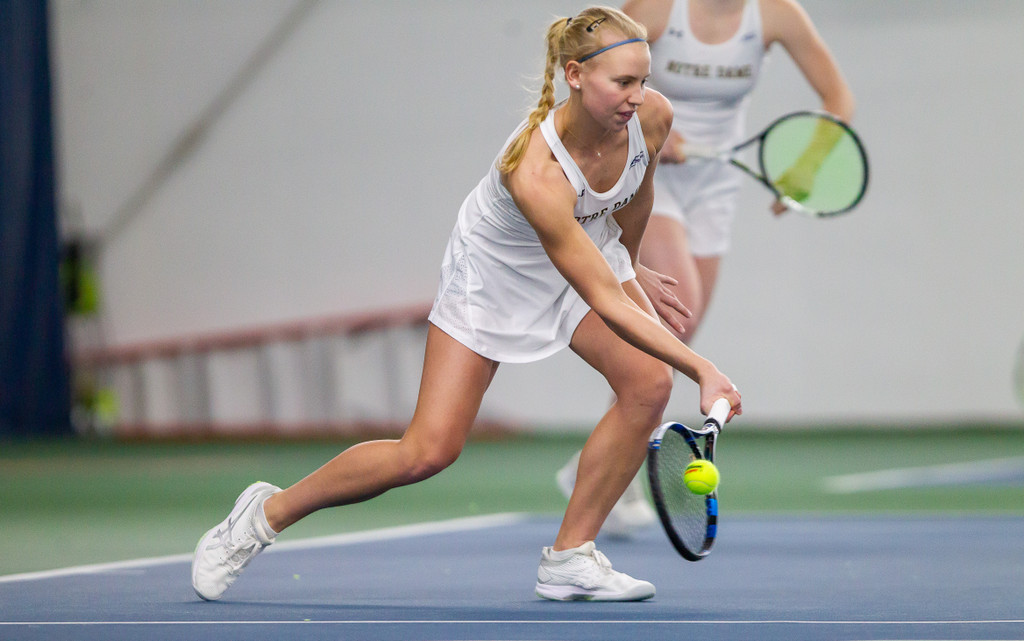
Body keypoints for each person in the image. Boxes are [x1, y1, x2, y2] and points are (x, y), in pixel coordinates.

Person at [191, 6, 741, 604]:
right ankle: (261, 516)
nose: (637, 96)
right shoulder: (535, 169)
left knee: (647, 386)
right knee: (427, 451)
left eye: (642, 80)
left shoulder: (651, 115)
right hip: (493, 277)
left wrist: (628, 261)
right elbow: (604, 299)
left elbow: (636, 195)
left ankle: (569, 557)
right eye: (621, 83)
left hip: (580, 255)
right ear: (576, 76)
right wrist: (702, 366)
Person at [557, 0, 853, 538]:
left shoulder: (777, 14)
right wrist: (646, 131)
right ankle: (607, 471)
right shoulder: (658, 9)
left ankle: (597, 462)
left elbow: (838, 99)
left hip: (716, 186)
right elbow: (594, 72)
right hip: (647, 171)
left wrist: (804, 173)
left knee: (680, 323)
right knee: (678, 312)